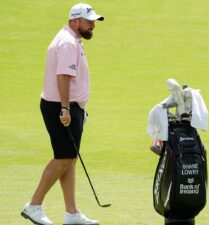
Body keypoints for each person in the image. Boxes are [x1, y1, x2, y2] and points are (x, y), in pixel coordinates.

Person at [21, 3, 104, 225]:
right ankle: (34, 206)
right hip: (61, 107)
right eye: (89, 22)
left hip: (68, 107)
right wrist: (67, 109)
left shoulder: (71, 39)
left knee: (69, 159)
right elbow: (63, 77)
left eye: (93, 21)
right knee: (63, 158)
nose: (92, 25)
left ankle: (71, 213)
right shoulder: (68, 43)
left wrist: (76, 109)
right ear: (75, 21)